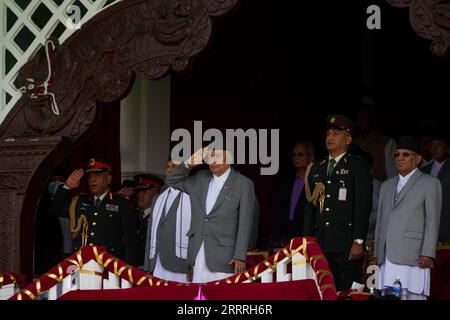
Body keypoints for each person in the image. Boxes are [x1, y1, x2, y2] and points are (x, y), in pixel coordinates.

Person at [303, 115, 373, 291]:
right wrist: (306, 242)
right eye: (328, 134)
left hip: (346, 244)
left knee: (348, 291)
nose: (330, 137)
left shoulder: (357, 166)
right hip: (321, 243)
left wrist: (358, 240)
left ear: (348, 139)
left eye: (335, 133)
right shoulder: (317, 166)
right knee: (324, 291)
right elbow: (310, 207)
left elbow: (362, 206)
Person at [166, 148, 256, 283]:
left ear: (229, 160)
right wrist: (188, 164)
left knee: (222, 296)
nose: (213, 161)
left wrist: (240, 255)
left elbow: (245, 222)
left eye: (218, 156)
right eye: (210, 157)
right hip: (198, 252)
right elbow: (172, 181)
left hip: (225, 256)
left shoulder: (243, 184)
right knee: (200, 297)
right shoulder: (200, 178)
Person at [374, 135, 442, 300]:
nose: (400, 158)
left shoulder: (430, 183)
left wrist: (428, 252)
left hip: (414, 254)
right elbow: (380, 220)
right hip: (387, 254)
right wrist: (377, 251)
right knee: (388, 295)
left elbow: (432, 220)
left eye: (405, 154)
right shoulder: (386, 185)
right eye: (396, 155)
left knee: (412, 295)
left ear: (417, 159)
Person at [50, 158, 137, 265]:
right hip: (82, 265)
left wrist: (127, 271)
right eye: (90, 176)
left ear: (108, 179)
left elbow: (130, 241)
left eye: (97, 176)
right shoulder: (79, 202)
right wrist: (66, 187)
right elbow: (55, 209)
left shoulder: (121, 204)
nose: (92, 180)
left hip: (109, 267)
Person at [144, 161, 192, 283]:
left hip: (181, 264)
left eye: (174, 166)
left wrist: (194, 265)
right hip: (157, 262)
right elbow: (150, 235)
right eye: (168, 167)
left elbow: (198, 233)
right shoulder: (158, 198)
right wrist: (148, 266)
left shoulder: (193, 195)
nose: (170, 170)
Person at [274, 141, 315, 246]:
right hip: (288, 234)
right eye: (294, 155)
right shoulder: (287, 182)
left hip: (308, 234)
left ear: (311, 158)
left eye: (300, 154)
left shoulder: (316, 182)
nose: (296, 158)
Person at [353, 104, 397, 181]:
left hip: (379, 190)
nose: (361, 121)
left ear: (372, 119)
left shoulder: (386, 142)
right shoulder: (352, 143)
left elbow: (392, 174)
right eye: (359, 118)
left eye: (364, 117)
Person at [421, 131, 450, 243]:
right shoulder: (423, 170)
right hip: (424, 227)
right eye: (432, 145)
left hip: (445, 226)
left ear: (448, 149)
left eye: (439, 145)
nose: (434, 148)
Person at [133, 174, 163, 268]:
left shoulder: (161, 216)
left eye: (144, 191)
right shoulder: (133, 215)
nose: (140, 195)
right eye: (138, 191)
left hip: (153, 268)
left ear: (156, 192)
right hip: (132, 268)